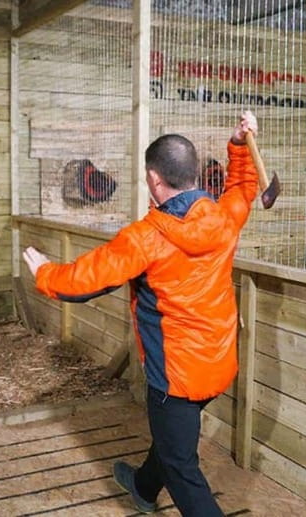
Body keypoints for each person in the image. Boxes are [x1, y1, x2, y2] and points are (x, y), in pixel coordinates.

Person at [23, 111, 260, 516]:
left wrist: (45, 272)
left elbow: (85, 283)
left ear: (154, 179)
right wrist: (240, 146)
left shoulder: (147, 238)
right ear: (196, 174)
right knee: (173, 442)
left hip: (175, 378)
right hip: (219, 364)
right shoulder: (223, 219)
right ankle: (143, 487)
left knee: (182, 468)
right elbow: (242, 189)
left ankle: (154, 485)